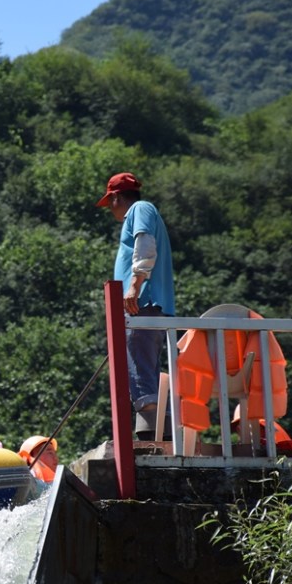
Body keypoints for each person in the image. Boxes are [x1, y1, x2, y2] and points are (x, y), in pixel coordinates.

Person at [96, 172, 175, 441]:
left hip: (141, 304)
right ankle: (157, 431)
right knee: (146, 367)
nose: (111, 210)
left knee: (139, 368)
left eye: (110, 203)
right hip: (146, 305)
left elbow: (145, 243)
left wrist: (134, 285)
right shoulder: (144, 211)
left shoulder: (140, 209)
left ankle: (149, 434)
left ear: (117, 197)